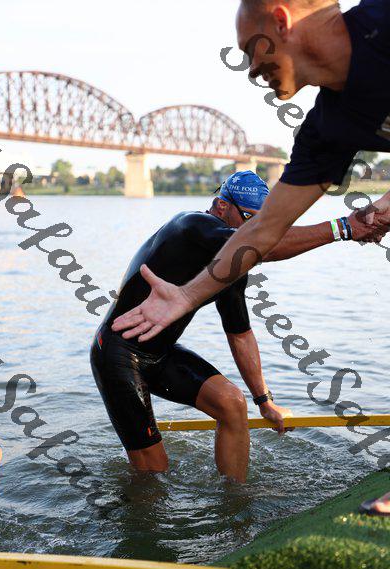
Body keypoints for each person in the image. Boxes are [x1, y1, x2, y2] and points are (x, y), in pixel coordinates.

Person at [110, 0, 390, 342]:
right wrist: (186, 296)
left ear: (281, 21)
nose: (252, 71)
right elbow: (263, 230)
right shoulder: (324, 132)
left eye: (249, 51)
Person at [94, 170, 385, 483]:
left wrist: (265, 402)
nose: (255, 230)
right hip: (118, 354)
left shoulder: (230, 268)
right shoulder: (192, 225)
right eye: (249, 219)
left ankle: (236, 499)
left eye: (261, 222)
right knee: (154, 473)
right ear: (222, 206)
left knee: (232, 404)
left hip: (160, 354)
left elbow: (240, 334)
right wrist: (343, 227)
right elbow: (260, 246)